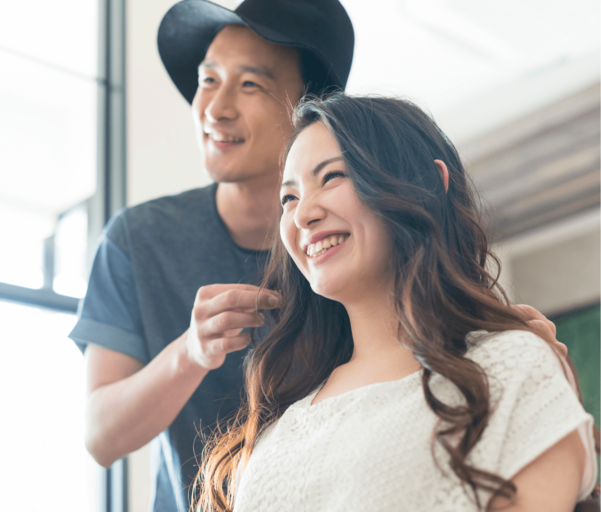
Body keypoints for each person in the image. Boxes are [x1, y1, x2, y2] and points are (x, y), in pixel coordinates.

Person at [193, 94, 599, 512]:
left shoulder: (509, 368)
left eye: (332, 177)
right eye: (289, 198)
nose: (303, 215)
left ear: (429, 185)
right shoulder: (283, 416)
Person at [69, 1, 355, 511]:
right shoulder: (137, 240)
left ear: (309, 109)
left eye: (250, 85)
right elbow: (100, 436)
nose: (215, 108)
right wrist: (190, 352)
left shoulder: (348, 242)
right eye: (208, 79)